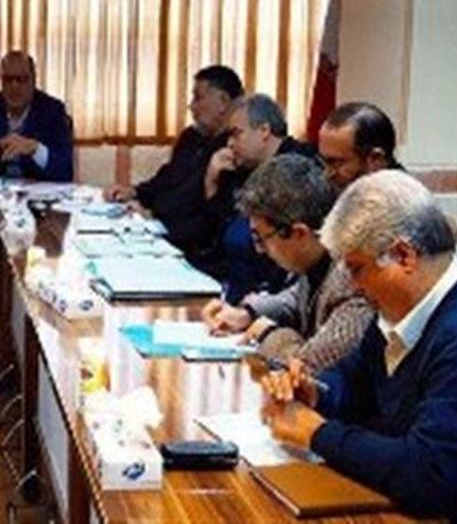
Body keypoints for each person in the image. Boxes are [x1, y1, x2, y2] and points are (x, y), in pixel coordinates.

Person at [261, 170, 457, 522]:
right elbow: (354, 379)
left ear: (404, 256)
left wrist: (317, 433)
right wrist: (315, 392)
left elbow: (431, 475)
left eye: (356, 269)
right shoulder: (401, 309)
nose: (353, 285)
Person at [200, 154, 373, 372]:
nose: (259, 249)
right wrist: (247, 313)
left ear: (299, 233)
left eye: (261, 238)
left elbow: (306, 366)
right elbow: (295, 297)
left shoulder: (355, 280)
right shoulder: (319, 255)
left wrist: (267, 333)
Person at [104, 65, 243, 256]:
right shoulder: (191, 137)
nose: (191, 106)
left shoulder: (232, 152)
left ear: (223, 102)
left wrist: (157, 224)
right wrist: (134, 192)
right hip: (155, 228)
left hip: (184, 244)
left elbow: (206, 221)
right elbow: (166, 178)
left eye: (198, 98)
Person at [201, 93, 316, 299]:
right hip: (228, 286)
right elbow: (214, 237)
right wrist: (212, 183)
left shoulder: (298, 170)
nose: (229, 144)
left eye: (236, 134)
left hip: (266, 299)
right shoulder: (244, 169)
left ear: (264, 131)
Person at [0, 51, 73, 181]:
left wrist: (35, 149)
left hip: (36, 191)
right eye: (8, 79)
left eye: (21, 79)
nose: (14, 86)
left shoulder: (53, 111)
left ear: (33, 80)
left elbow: (65, 170)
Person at [318, 101, 402, 191]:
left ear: (375, 159)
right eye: (325, 161)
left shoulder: (401, 197)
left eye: (337, 163)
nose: (327, 174)